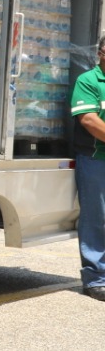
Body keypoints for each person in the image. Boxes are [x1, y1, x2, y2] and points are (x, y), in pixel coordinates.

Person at [71, 34, 105, 301]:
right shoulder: (89, 81)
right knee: (96, 218)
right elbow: (89, 120)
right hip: (96, 158)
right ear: (101, 53)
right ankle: (95, 278)